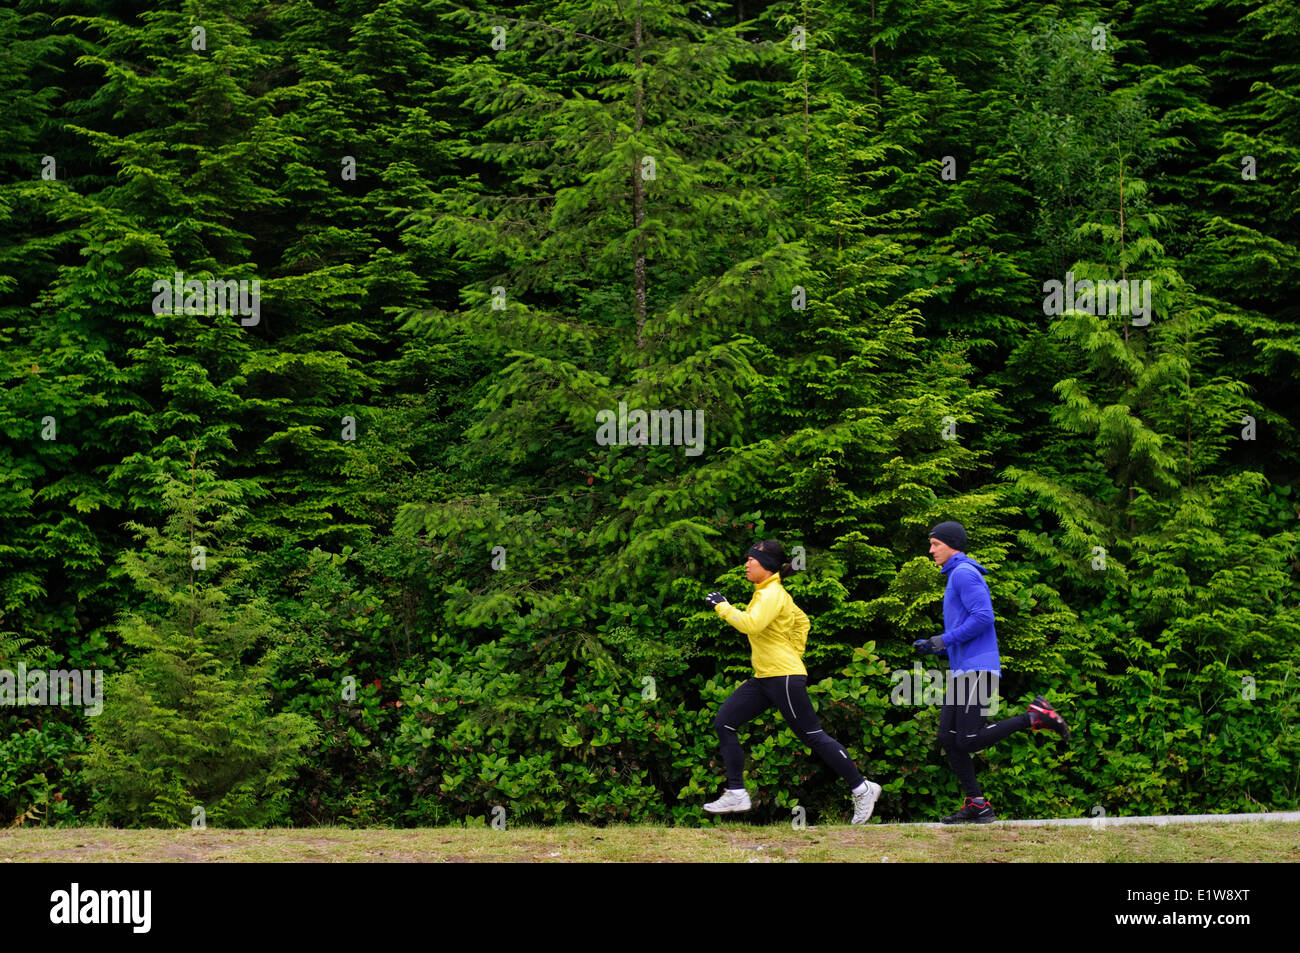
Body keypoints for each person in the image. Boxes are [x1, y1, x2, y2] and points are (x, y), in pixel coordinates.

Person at [702, 539, 882, 824]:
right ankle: (736, 791)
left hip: (782, 677)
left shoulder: (771, 593)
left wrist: (723, 606)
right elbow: (802, 621)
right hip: (766, 676)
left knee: (812, 736)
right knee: (724, 722)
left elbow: (751, 624)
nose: (747, 564)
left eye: (752, 560)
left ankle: (862, 788)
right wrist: (793, 652)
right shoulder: (769, 592)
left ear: (768, 566)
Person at [914, 521, 1070, 823]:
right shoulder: (956, 576)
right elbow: (968, 630)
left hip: (978, 670)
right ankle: (977, 804)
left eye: (935, 544)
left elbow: (984, 617)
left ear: (951, 544)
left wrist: (943, 639)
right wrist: (938, 647)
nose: (930, 550)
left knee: (969, 739)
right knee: (948, 737)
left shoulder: (962, 573)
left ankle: (1034, 717)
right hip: (964, 670)